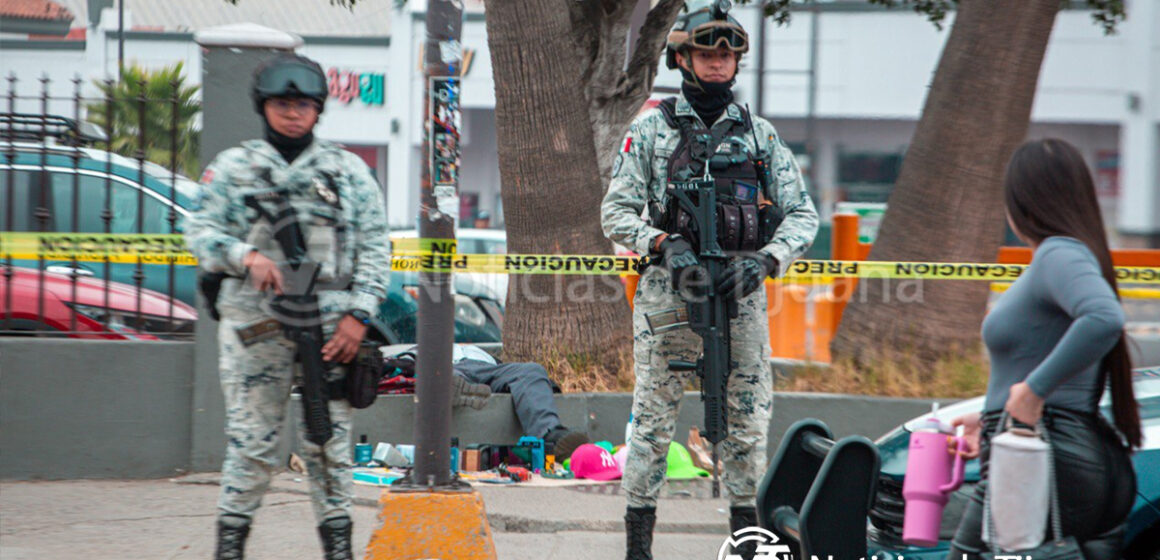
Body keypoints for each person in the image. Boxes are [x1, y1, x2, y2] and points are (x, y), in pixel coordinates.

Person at [600, 2, 818, 558]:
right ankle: (638, 549)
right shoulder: (650, 129)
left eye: (727, 55)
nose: (718, 64)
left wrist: (766, 260)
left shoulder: (758, 135)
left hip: (738, 298)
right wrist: (661, 243)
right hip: (668, 299)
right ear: (682, 58)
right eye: (706, 53)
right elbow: (616, 212)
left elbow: (803, 215)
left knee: (746, 428)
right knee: (651, 425)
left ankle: (746, 543)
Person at [184, 53, 391, 560]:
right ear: (264, 106)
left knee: (328, 447)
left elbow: (375, 247)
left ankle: (338, 550)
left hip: (331, 331)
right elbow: (199, 232)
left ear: (318, 109)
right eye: (282, 103)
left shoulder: (346, 171)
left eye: (303, 104)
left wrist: (359, 316)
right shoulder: (235, 168)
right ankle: (229, 549)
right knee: (252, 446)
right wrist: (244, 255)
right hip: (256, 328)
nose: (293, 113)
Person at [946, 138, 1140, 560]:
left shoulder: (1058, 255)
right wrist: (989, 416)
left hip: (1045, 454)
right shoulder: (1071, 256)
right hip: (1062, 452)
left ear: (1022, 203)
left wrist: (1032, 392)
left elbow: (1103, 318)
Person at [385, 344, 591, 461]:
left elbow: (516, 379)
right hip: (437, 363)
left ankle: (550, 435)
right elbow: (396, 368)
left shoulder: (476, 350)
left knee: (531, 370)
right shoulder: (416, 347)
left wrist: (542, 386)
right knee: (445, 374)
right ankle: (448, 385)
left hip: (485, 366)